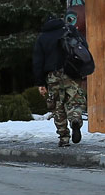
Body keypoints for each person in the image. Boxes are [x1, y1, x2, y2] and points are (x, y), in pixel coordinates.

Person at [33, 17, 86, 147]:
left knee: (57, 106)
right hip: (71, 73)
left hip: (53, 76)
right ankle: (75, 120)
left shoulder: (42, 37)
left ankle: (64, 138)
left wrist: (40, 83)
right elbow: (83, 47)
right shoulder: (70, 30)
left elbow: (37, 62)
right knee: (75, 100)